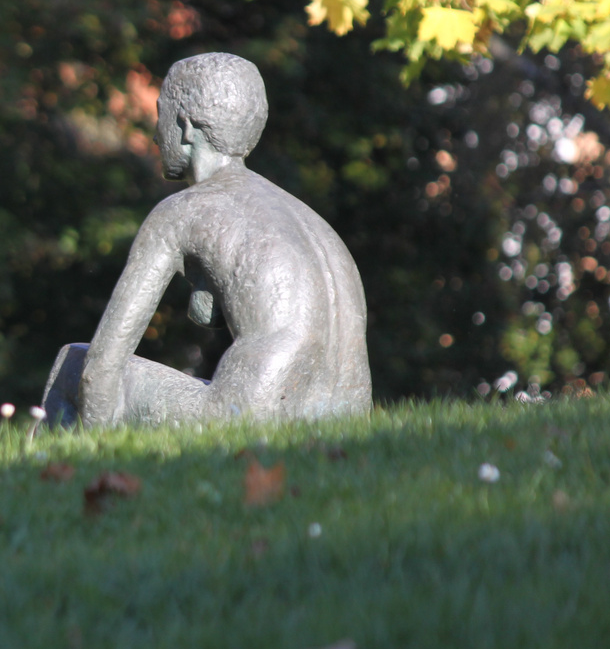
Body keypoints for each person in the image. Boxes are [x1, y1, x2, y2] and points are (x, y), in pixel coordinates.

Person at [42, 53, 371, 427]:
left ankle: (63, 481)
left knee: (74, 363)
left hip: (249, 416)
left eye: (159, 115)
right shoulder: (309, 220)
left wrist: (96, 442)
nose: (153, 134)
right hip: (347, 421)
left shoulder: (181, 212)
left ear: (184, 127)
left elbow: (101, 367)